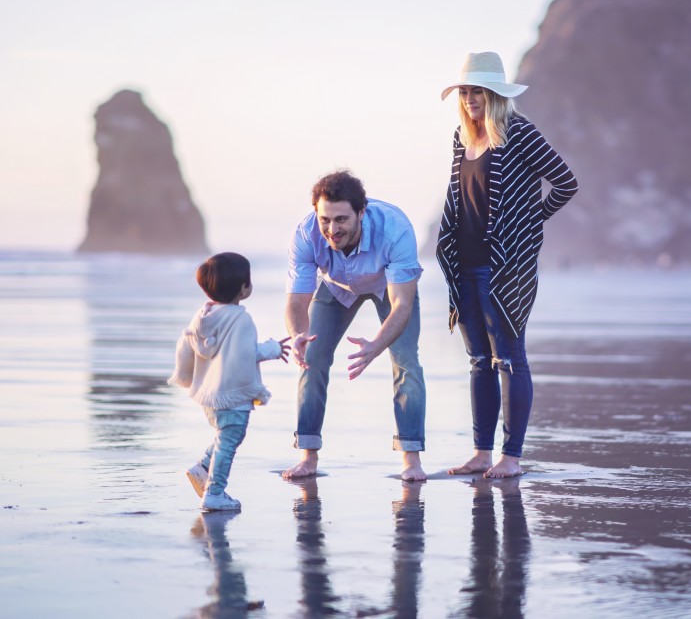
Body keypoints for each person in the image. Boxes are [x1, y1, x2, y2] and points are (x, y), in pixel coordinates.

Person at [436, 51, 579, 479]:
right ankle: (481, 453)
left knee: (509, 359)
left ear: (495, 93)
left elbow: (566, 183)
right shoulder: (461, 138)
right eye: (464, 91)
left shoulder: (518, 131)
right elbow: (460, 200)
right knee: (480, 360)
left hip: (504, 268)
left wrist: (525, 222)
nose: (470, 98)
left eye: (477, 90)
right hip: (463, 264)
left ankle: (510, 457)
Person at [282, 170, 428, 481]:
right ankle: (308, 456)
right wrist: (297, 336)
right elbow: (296, 302)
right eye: (325, 219)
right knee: (311, 356)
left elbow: (402, 305)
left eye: (341, 220)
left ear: (362, 212)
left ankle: (411, 459)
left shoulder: (395, 230)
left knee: (406, 362)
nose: (332, 230)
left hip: (388, 287)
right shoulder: (306, 234)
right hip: (335, 287)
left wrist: (376, 346)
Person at [169, 252, 290, 512]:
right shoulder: (239, 318)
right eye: (249, 281)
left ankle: (203, 467)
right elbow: (245, 354)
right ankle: (214, 492)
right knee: (230, 440)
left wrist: (186, 376)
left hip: (209, 395)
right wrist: (274, 349)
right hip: (231, 395)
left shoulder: (204, 317)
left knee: (225, 436)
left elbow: (187, 346)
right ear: (243, 288)